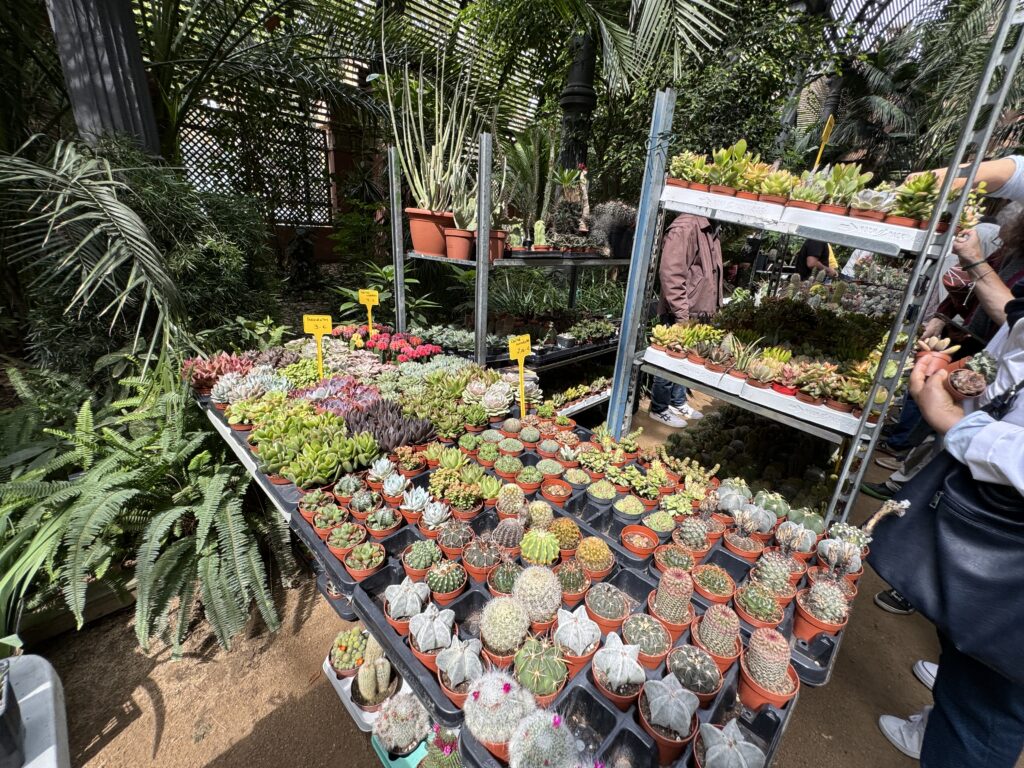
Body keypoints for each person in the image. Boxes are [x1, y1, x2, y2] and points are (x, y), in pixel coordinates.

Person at [878, 270, 1024, 765]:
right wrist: (967, 388)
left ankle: (955, 732)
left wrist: (959, 424)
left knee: (987, 709)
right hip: (996, 523)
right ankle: (946, 713)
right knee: (972, 658)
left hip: (1008, 541)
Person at [650, 214, 723, 427]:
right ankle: (659, 408)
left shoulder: (710, 228)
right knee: (670, 359)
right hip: (680, 312)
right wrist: (682, 315)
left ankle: (677, 402)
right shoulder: (686, 226)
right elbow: (671, 274)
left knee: (684, 359)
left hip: (697, 312)